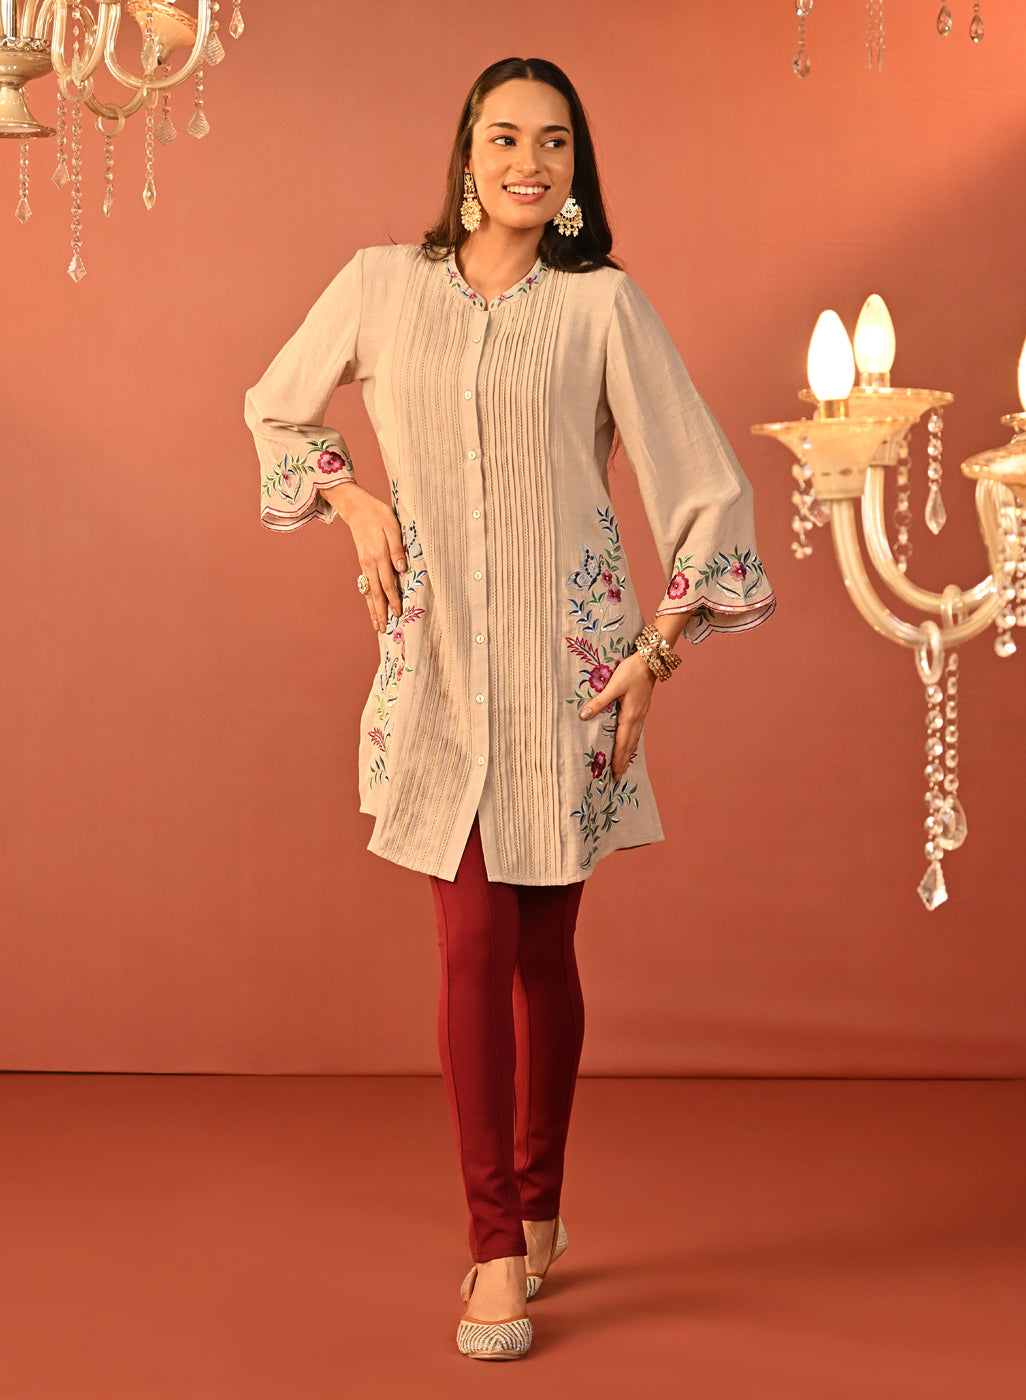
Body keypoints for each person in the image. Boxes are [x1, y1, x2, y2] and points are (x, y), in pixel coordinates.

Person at [245, 56, 775, 1361]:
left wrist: (657, 651)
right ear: (466, 156)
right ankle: (494, 1247)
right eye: (503, 138)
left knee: (543, 952)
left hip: (569, 676)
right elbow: (275, 408)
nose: (527, 162)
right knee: (471, 945)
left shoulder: (602, 306)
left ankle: (541, 1204)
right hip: (437, 674)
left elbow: (703, 484)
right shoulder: (382, 285)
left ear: (575, 169)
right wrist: (351, 500)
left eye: (552, 142)